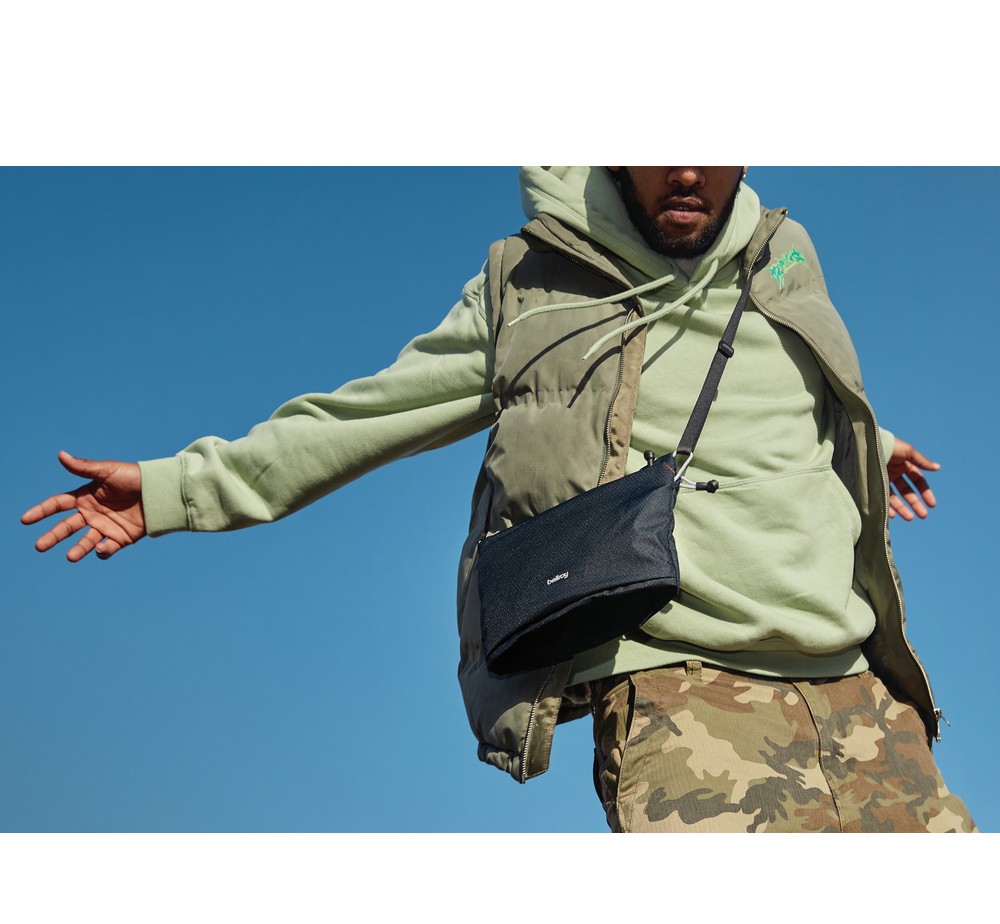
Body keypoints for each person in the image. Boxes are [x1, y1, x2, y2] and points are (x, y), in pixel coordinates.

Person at [22, 167, 975, 833]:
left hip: (858, 687)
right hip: (685, 693)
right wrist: (179, 488)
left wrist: (870, 438)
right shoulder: (528, 282)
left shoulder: (785, 249)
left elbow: (786, 381)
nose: (686, 171)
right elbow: (367, 414)